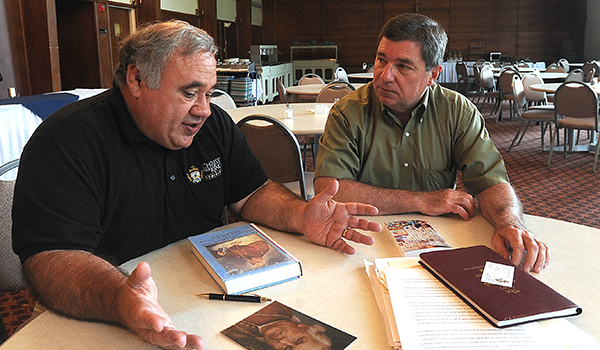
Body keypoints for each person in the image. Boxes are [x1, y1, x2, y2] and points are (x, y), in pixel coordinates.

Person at [11, 20, 381, 350]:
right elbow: (52, 259)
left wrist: (301, 215)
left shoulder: (213, 124)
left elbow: (251, 193)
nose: (204, 109)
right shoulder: (66, 142)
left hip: (202, 302)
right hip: (96, 314)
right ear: (137, 80)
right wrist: (118, 298)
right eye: (189, 93)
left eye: (208, 92)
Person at [314, 13, 550, 274]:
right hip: (362, 244)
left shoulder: (457, 112)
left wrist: (509, 223)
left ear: (433, 74)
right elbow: (330, 190)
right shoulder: (348, 112)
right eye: (381, 60)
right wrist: (422, 200)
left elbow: (491, 181)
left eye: (403, 66)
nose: (385, 75)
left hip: (437, 249)